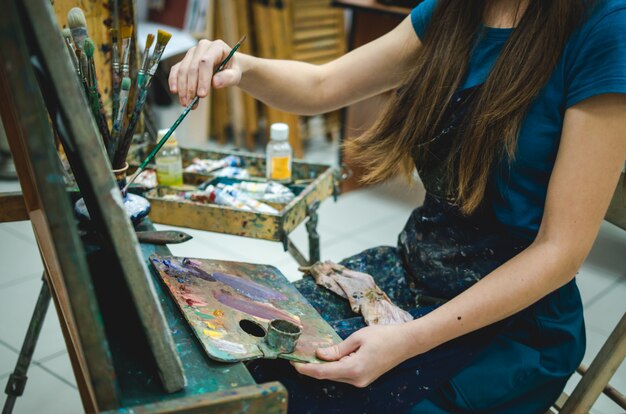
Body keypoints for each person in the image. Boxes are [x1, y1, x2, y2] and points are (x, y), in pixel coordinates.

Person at [169, 0, 626, 412]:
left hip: (511, 329)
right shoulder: (452, 11)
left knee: (303, 399)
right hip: (410, 276)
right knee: (247, 364)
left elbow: (560, 252)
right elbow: (321, 85)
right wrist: (239, 64)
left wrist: (406, 341)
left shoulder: (604, 28)